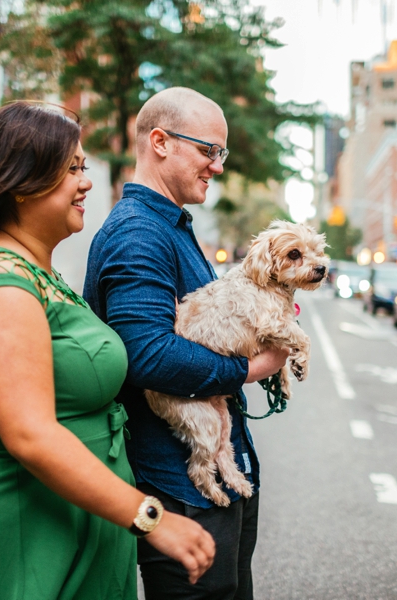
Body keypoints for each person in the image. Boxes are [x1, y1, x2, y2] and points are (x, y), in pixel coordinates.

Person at [0, 101, 214, 600]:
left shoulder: (39, 274)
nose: (87, 181)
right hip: (22, 533)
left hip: (77, 524)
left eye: (84, 167)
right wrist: (149, 517)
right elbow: (30, 435)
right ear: (21, 181)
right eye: (72, 168)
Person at [84, 87, 289, 600]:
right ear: (160, 142)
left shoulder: (170, 225)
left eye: (221, 154)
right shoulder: (139, 233)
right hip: (180, 490)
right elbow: (149, 354)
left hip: (219, 474)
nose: (217, 166)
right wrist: (254, 367)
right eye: (209, 151)